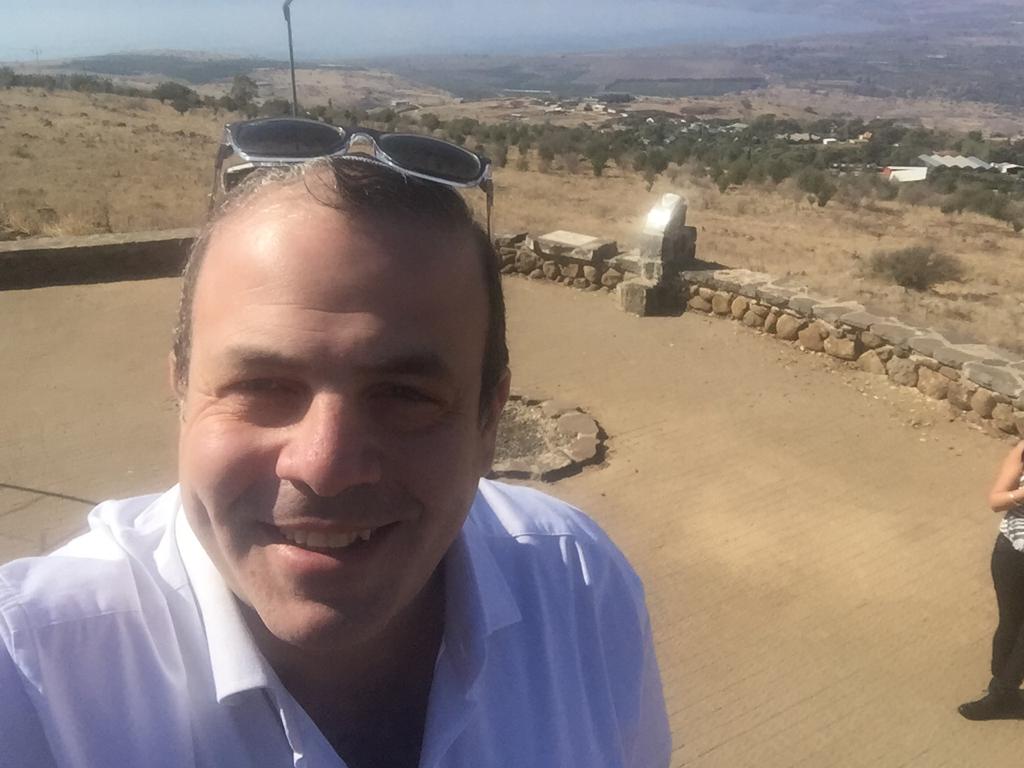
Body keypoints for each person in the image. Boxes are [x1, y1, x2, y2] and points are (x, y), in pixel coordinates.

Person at [0, 155, 671, 767]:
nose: (325, 466)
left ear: (488, 420)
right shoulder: (29, 675)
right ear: (181, 389)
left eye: (405, 394)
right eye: (262, 385)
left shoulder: (579, 585)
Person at [959, 439, 1024, 721]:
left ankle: (1001, 693)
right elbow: (995, 501)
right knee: (1010, 621)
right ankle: (1002, 688)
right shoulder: (1023, 450)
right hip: (1010, 552)